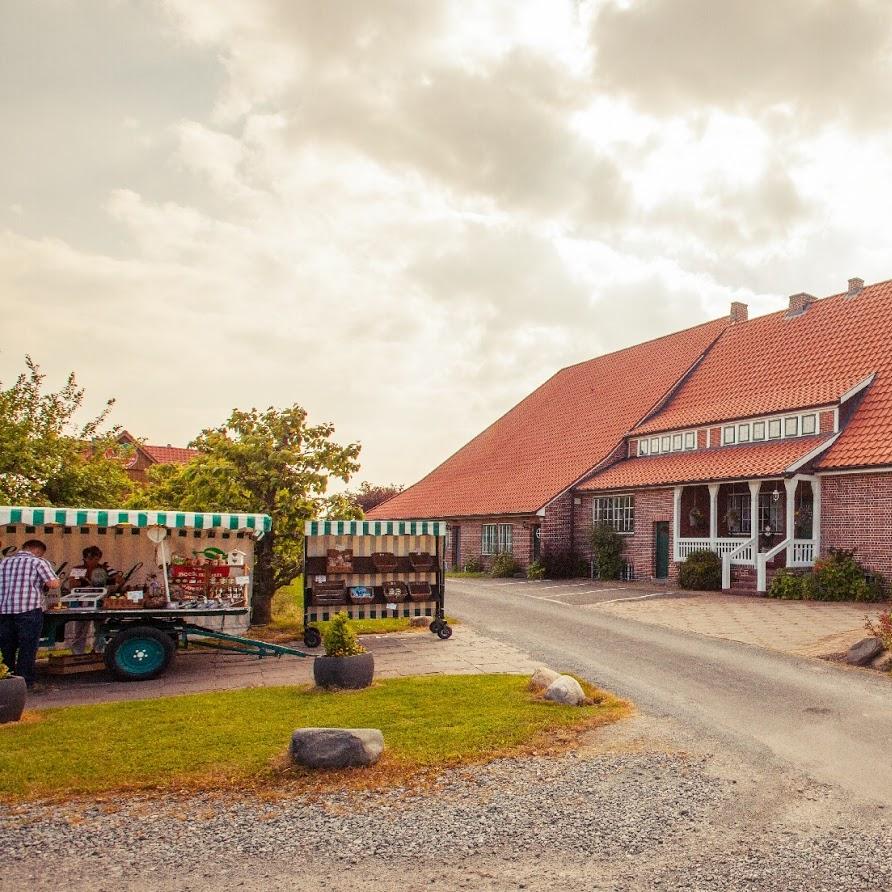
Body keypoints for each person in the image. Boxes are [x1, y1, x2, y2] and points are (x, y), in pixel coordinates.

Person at [0, 539, 60, 689]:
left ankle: (7, 679)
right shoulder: (38, 562)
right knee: (27, 647)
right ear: (38, 551)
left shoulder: (4, 562)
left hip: (5, 610)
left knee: (7, 647)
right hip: (28, 609)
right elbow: (53, 583)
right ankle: (25, 681)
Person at [66, 546, 123, 655]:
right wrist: (88, 582)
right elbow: (72, 584)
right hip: (82, 604)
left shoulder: (105, 568)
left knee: (101, 629)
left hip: (101, 602)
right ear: (85, 558)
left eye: (97, 558)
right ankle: (78, 654)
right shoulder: (79, 569)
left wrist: (106, 580)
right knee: (80, 630)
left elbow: (120, 580)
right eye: (91, 559)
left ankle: (99, 651)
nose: (94, 561)